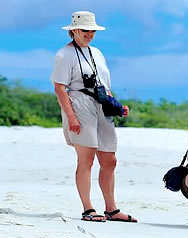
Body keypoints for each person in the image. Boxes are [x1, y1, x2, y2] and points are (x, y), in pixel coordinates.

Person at [51, 11, 137, 223]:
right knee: (86, 158)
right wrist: (71, 117)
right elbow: (60, 88)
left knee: (110, 159)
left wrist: (116, 106)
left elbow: (103, 86)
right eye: (85, 30)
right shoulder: (64, 55)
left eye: (92, 31)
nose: (89, 34)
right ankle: (88, 208)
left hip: (101, 106)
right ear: (74, 31)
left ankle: (111, 209)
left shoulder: (97, 53)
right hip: (79, 104)